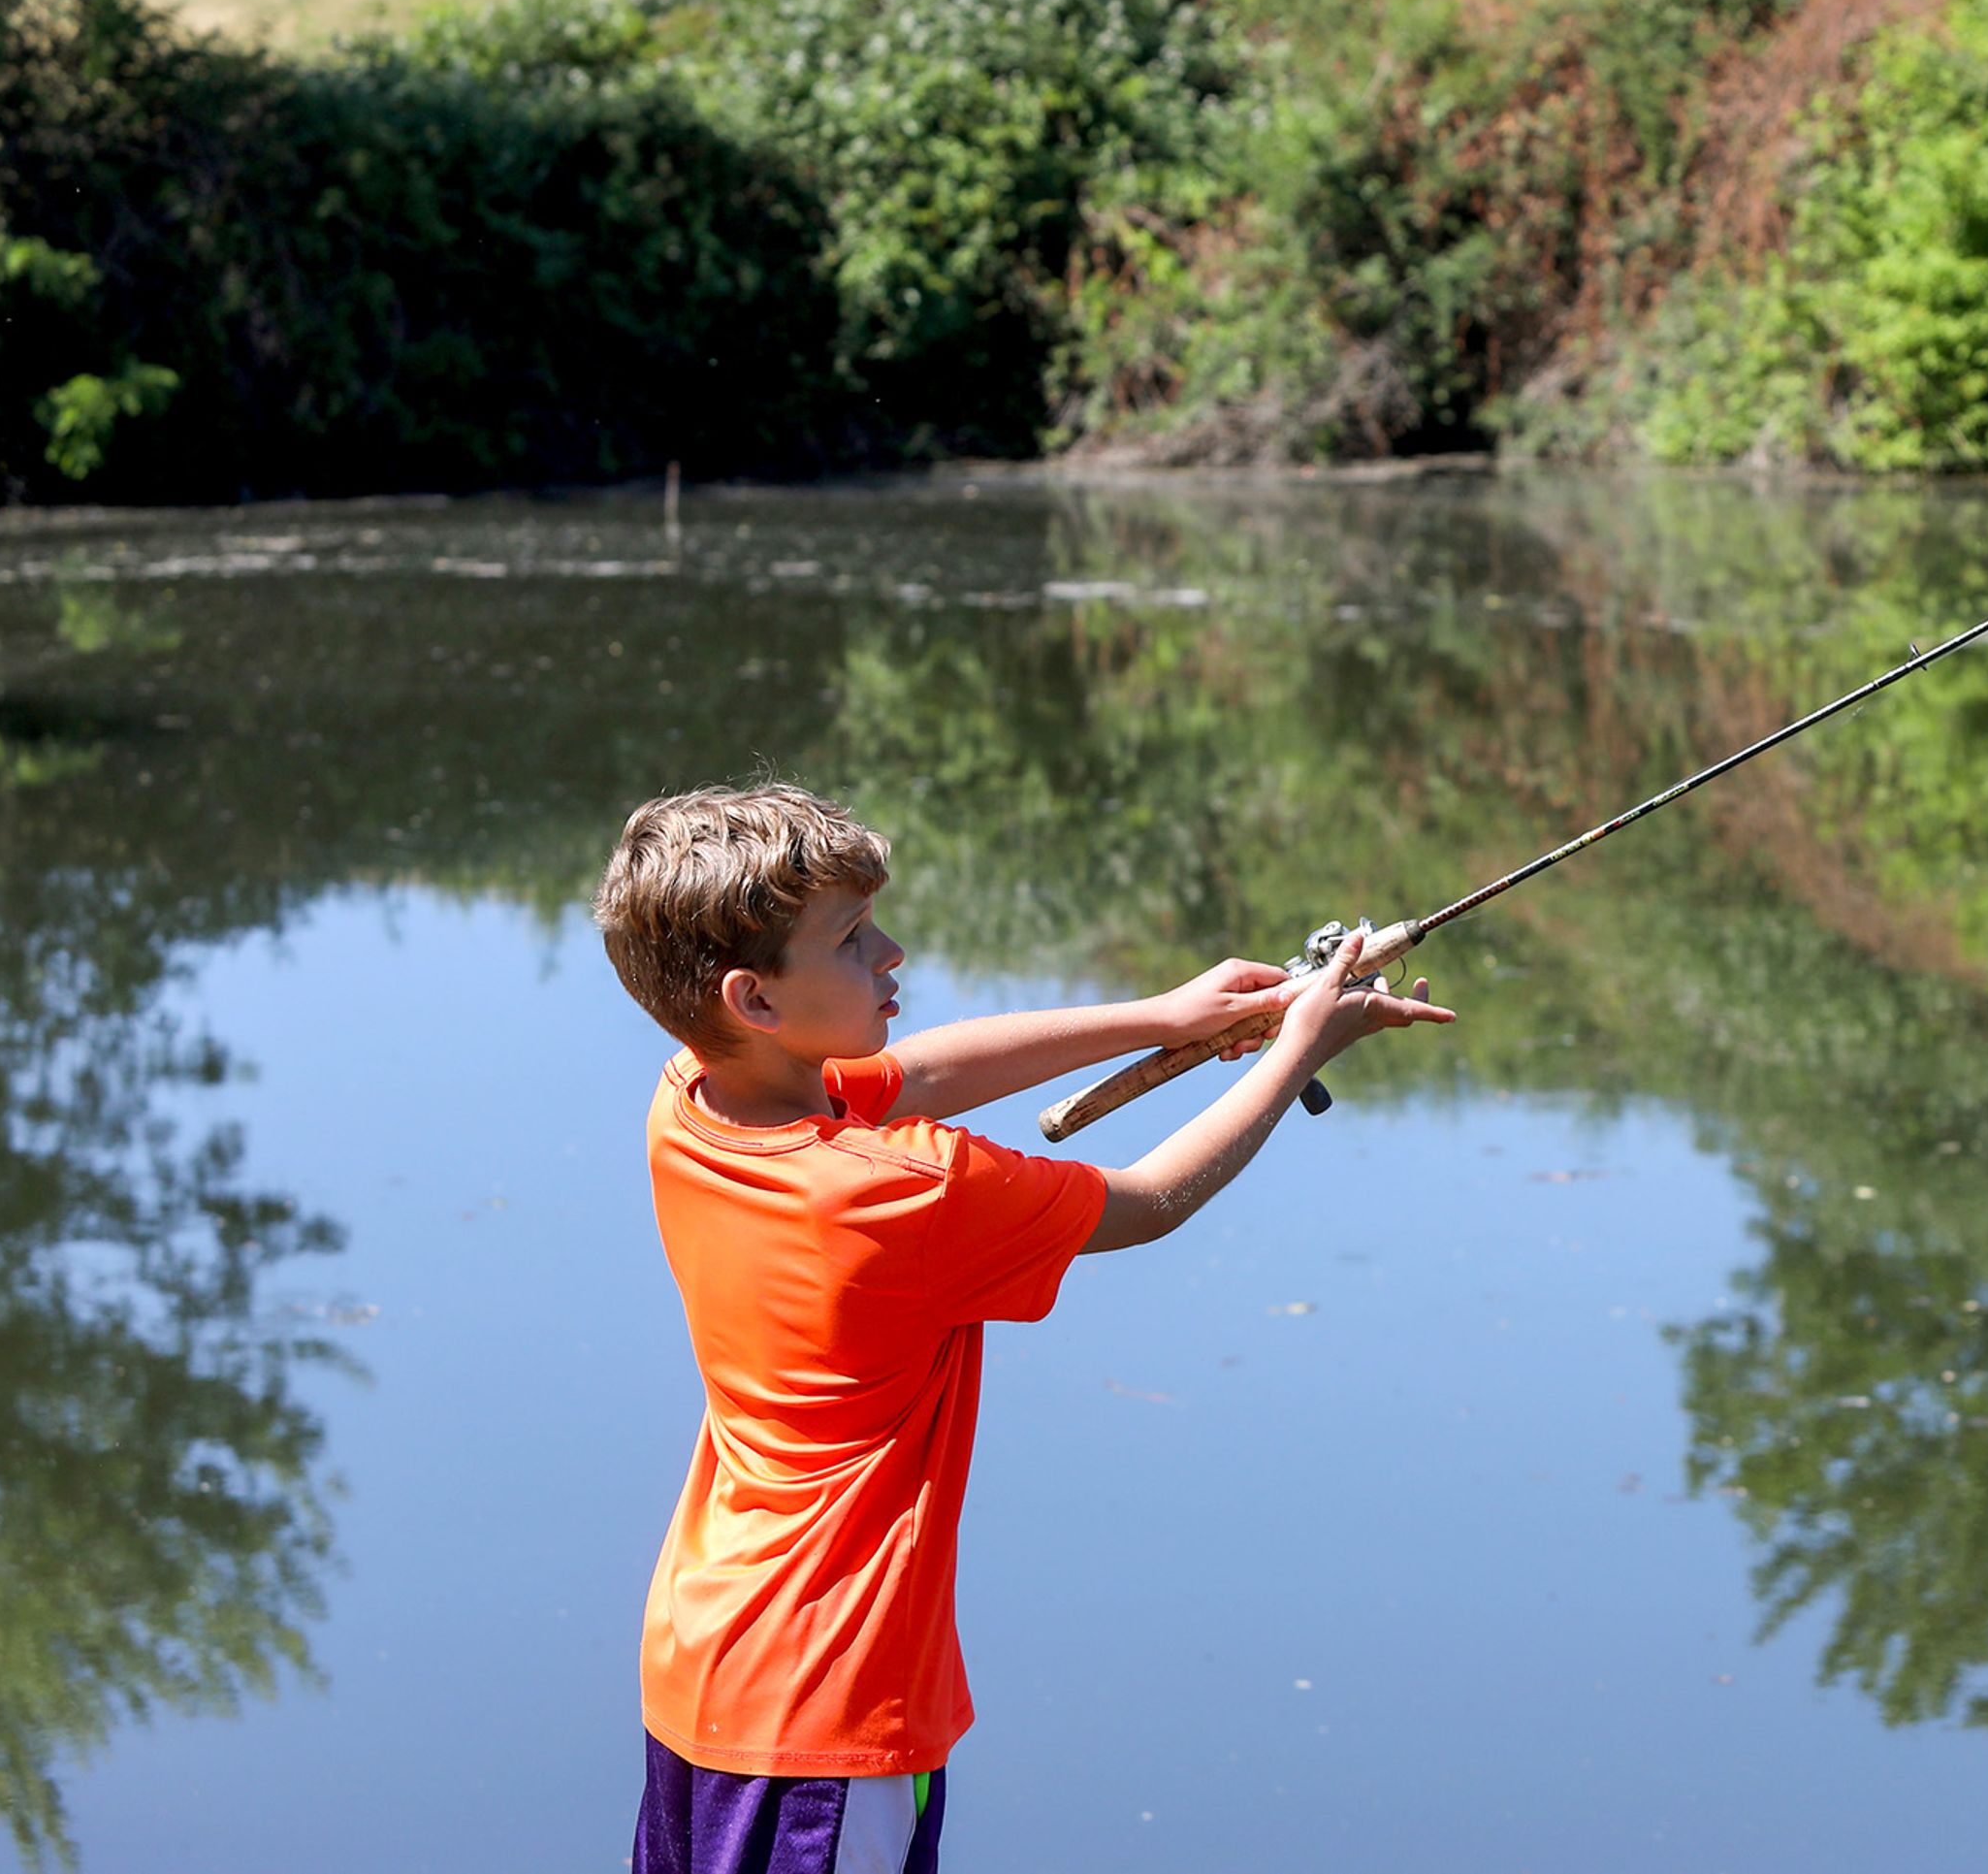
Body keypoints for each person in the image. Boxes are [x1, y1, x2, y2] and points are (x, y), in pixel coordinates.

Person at [592, 781, 1451, 1874]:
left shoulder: (695, 1100)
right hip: (825, 1710)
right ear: (756, 997)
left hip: (706, 1666)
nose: (893, 952)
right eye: (855, 940)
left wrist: (1169, 1015)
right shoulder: (892, 1196)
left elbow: (923, 1074)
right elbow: (1146, 1199)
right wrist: (1301, 1050)